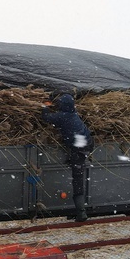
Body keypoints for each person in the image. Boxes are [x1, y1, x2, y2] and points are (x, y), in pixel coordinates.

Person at [42, 93, 94, 221]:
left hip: (79, 149)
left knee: (77, 179)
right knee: (78, 172)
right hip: (87, 144)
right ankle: (80, 210)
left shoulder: (63, 116)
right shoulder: (73, 114)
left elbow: (46, 118)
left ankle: (81, 213)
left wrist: (44, 106)